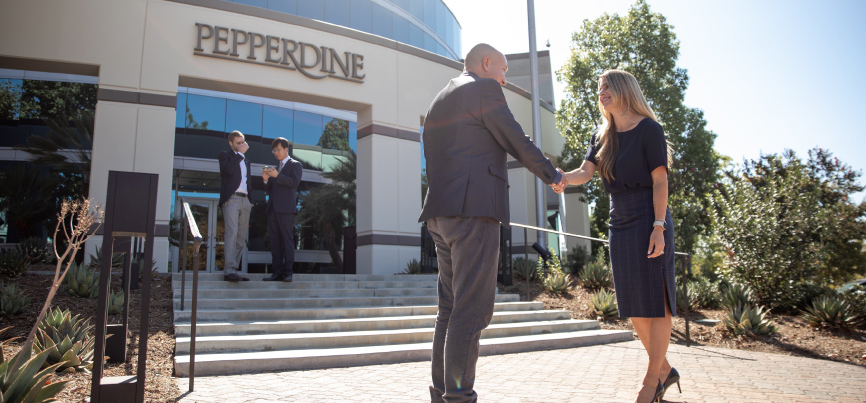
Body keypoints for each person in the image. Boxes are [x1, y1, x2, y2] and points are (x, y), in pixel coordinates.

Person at [418, 43, 565, 403]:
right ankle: (459, 398)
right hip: (474, 212)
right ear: (486, 64)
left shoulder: (440, 98)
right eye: (502, 69)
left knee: (449, 310)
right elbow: (516, 137)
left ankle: (442, 395)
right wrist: (552, 174)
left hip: (440, 213)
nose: (504, 76)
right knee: (471, 310)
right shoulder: (484, 88)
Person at [552, 69, 678, 403]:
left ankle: (652, 382)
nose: (602, 92)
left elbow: (661, 181)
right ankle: (665, 369)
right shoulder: (602, 135)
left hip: (650, 216)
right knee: (634, 305)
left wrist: (659, 226)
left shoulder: (649, 129)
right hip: (618, 219)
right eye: (599, 88)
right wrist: (559, 176)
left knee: (657, 303)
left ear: (624, 89)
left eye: (607, 86)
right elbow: (585, 173)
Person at [261, 137, 303, 282]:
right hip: (273, 209)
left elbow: (294, 182)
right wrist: (266, 179)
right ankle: (276, 273)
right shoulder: (275, 167)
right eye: (274, 150)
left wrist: (278, 176)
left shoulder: (295, 165)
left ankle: (287, 273)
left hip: (286, 210)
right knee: (274, 242)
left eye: (278, 150)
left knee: (287, 241)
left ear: (286, 149)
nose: (276, 153)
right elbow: (270, 189)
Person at [218, 130, 253, 282]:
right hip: (231, 199)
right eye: (238, 143)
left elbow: (248, 182)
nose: (241, 145)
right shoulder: (225, 155)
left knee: (241, 237)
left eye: (243, 142)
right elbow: (229, 171)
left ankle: (234, 270)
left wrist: (250, 200)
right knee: (231, 234)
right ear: (230, 143)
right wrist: (239, 155)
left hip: (245, 200)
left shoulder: (246, 160)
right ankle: (229, 270)